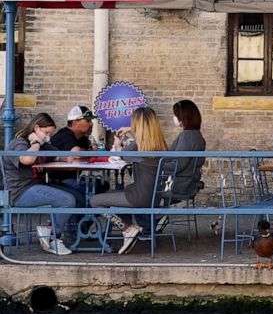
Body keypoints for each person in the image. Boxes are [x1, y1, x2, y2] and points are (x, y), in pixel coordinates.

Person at [90, 107, 169, 255]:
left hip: (139, 197)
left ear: (137, 125)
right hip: (154, 196)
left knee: (95, 201)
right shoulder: (160, 144)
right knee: (112, 193)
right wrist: (132, 129)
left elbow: (119, 155)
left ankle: (128, 229)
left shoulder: (137, 146)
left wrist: (119, 141)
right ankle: (130, 228)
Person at [2, 113, 77, 255]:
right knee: (67, 200)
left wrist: (69, 157)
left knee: (77, 195)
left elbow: (58, 154)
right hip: (20, 192)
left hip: (37, 186)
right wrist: (35, 143)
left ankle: (62, 232)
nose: (48, 137)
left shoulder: (43, 144)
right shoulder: (20, 143)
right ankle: (52, 236)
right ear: (36, 128)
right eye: (46, 133)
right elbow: (27, 160)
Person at [48, 105, 106, 204]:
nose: (91, 124)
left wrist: (90, 153)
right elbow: (77, 154)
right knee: (96, 186)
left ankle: (87, 216)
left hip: (75, 177)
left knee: (103, 184)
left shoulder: (82, 138)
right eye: (87, 121)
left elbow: (86, 155)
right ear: (75, 122)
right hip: (59, 180)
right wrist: (91, 152)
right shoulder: (64, 135)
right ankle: (85, 216)